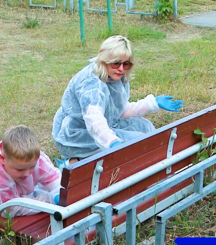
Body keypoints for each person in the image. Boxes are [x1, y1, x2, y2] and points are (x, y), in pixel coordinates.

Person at [52, 35, 183, 168]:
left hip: (103, 124)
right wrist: (112, 142)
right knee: (134, 143)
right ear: (104, 60)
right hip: (76, 133)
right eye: (116, 63)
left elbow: (120, 110)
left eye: (126, 64)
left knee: (146, 128)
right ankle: (73, 164)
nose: (121, 68)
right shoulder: (91, 85)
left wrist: (152, 103)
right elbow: (94, 120)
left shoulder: (116, 78)